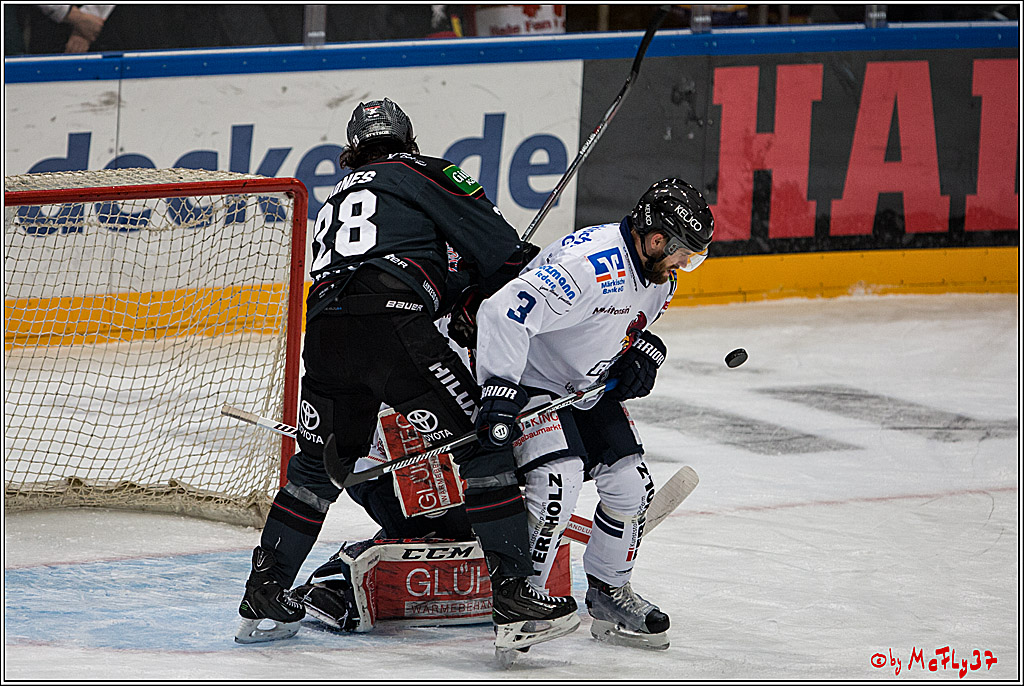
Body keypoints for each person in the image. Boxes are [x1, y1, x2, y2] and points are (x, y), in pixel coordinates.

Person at [236, 98, 580, 654]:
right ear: (408, 139)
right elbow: (507, 256)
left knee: (316, 463)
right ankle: (515, 595)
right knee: (483, 441)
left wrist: (456, 288)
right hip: (393, 329)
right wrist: (479, 291)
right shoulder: (424, 172)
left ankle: (265, 588)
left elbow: (399, 264)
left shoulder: (336, 197)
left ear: (356, 146)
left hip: (324, 333)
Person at [471, 178, 714, 649]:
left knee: (631, 487)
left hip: (583, 386)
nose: (687, 263)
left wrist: (642, 354)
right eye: (684, 252)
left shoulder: (660, 277)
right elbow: (503, 313)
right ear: (656, 238)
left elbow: (617, 328)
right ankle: (523, 603)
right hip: (532, 378)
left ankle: (607, 592)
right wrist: (500, 387)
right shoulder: (592, 267)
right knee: (557, 483)